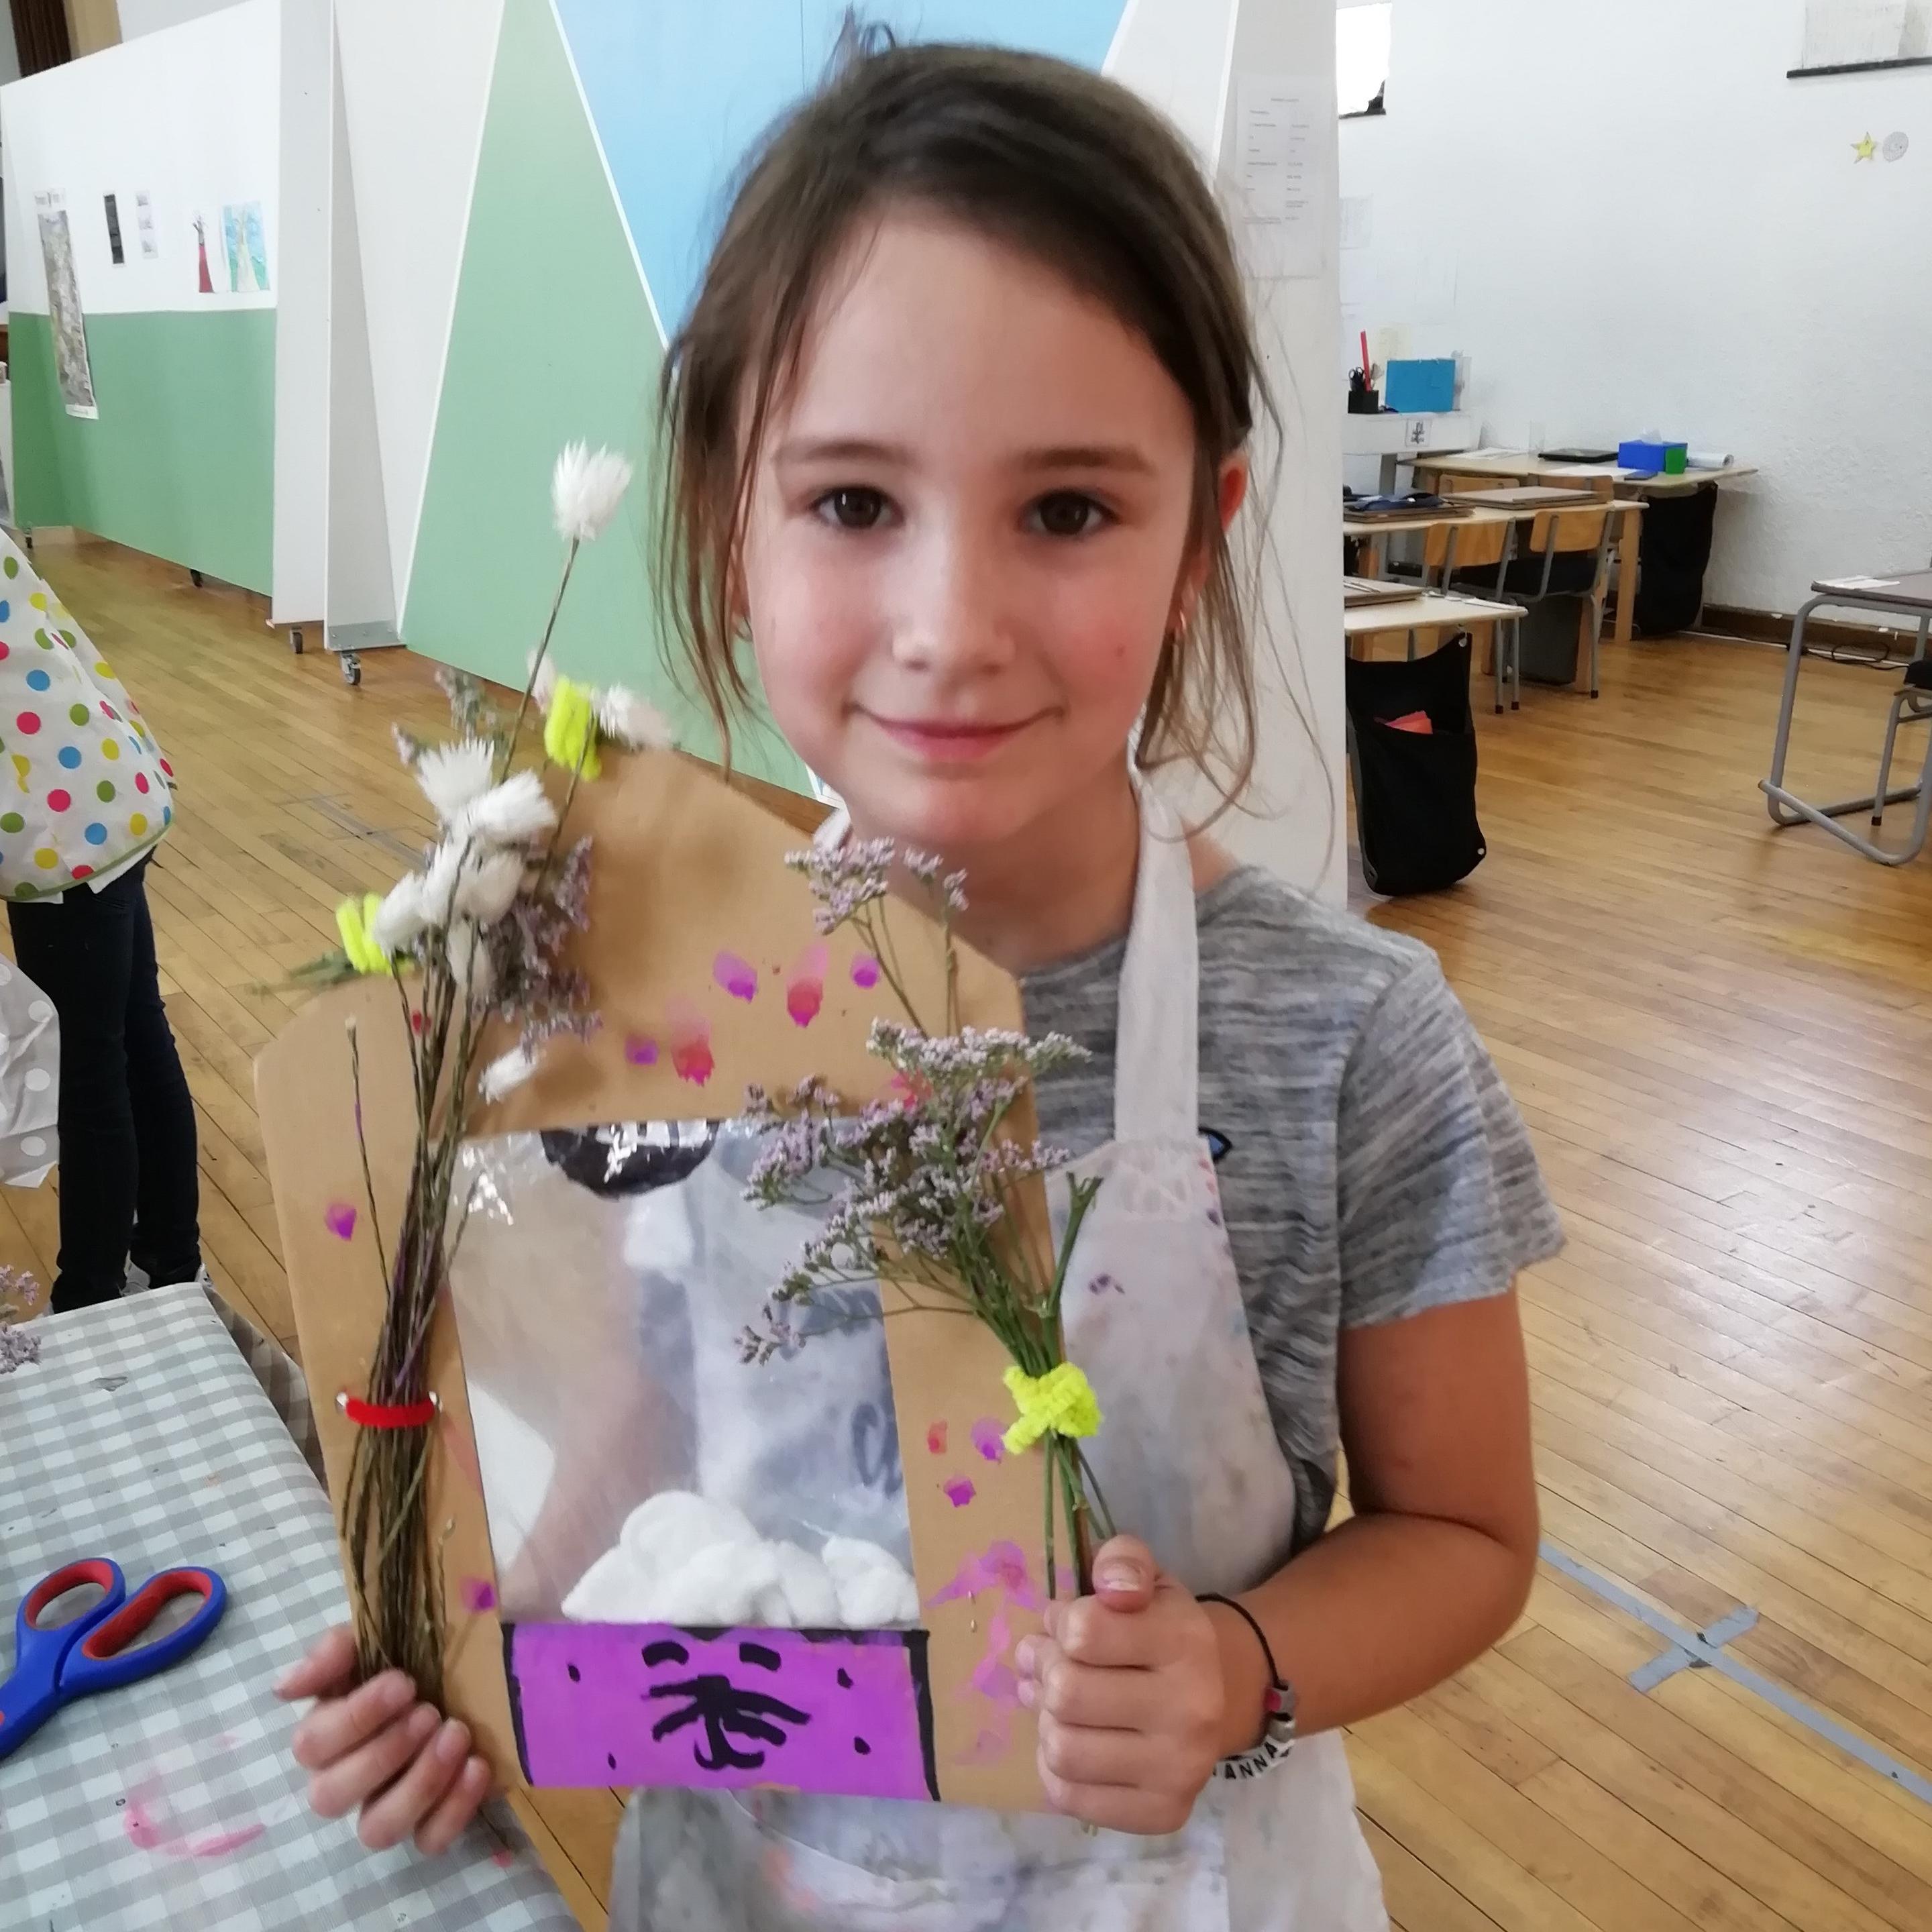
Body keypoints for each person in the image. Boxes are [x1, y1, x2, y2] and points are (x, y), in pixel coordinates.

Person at [275, 36, 1560, 1928]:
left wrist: (1235, 1671)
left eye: (1068, 510)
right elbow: (649, 1422)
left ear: (1199, 537)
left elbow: (1464, 1532)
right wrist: (484, 1657)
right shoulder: (631, 991)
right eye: (854, 503)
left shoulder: (1349, 1039)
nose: (951, 628)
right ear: (727, 518)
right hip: (750, 1875)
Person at [0, 531, 201, 1312]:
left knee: (89, 1066)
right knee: (134, 1034)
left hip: (61, 834)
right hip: (102, 793)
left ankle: (91, 1296)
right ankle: (171, 1265)